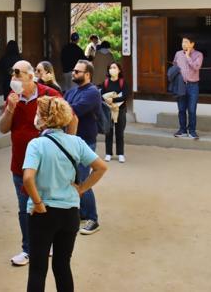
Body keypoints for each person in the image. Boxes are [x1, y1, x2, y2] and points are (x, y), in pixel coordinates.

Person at [23, 96, 108, 292]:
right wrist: (82, 188)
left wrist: (37, 203)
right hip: (69, 212)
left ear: (44, 118)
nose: (35, 117)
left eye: (38, 113)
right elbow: (101, 167)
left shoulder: (37, 144)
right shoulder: (76, 142)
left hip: (43, 212)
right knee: (62, 266)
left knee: (38, 268)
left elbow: (28, 178)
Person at [0, 60, 65, 267]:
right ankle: (28, 248)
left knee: (48, 204)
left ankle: (49, 243)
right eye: (12, 74)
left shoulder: (49, 95)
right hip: (20, 163)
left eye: (18, 74)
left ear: (30, 76)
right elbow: (2, 128)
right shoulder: (12, 99)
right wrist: (10, 108)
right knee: (24, 207)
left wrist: (66, 150)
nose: (14, 78)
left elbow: (70, 120)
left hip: (47, 163)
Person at [64, 60, 103, 236]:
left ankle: (93, 218)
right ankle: (81, 213)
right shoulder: (72, 91)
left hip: (86, 141)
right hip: (71, 140)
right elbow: (63, 107)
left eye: (77, 71)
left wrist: (62, 109)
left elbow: (73, 110)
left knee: (82, 179)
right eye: (74, 70)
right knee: (73, 178)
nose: (74, 73)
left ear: (87, 74)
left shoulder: (93, 92)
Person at [173, 35, 204, 140]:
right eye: (182, 42)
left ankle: (192, 131)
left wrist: (187, 56)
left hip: (193, 86)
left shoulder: (198, 54)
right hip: (181, 85)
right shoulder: (178, 54)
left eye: (186, 42)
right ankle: (182, 130)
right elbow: (175, 66)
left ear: (192, 44)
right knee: (181, 109)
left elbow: (196, 67)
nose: (183, 44)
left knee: (191, 109)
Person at [101, 62, 128, 163]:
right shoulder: (106, 82)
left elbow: (125, 96)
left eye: (114, 67)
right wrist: (106, 100)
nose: (112, 69)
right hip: (108, 110)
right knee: (108, 132)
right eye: (110, 68)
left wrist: (113, 100)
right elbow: (102, 94)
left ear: (119, 70)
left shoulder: (122, 82)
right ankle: (108, 153)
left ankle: (120, 153)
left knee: (119, 132)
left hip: (120, 110)